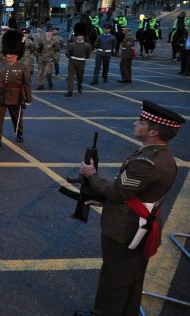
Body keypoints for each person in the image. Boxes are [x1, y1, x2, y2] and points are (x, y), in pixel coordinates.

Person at [76, 101, 184, 316]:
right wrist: (105, 201)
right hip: (135, 222)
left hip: (126, 229)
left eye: (141, 122)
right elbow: (132, 193)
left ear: (153, 131)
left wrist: (92, 175)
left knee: (114, 280)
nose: (136, 123)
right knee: (129, 279)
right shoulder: (157, 155)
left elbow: (117, 191)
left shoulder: (148, 163)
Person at [0, 30, 32, 148]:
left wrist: (28, 98)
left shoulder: (22, 67)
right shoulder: (0, 65)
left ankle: (19, 131)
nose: (9, 56)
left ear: (17, 54)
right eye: (8, 54)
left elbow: (26, 84)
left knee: (17, 117)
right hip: (0, 94)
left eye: (12, 55)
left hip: (15, 96)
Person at [66, 23, 93, 96]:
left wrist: (81, 57)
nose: (79, 37)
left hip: (81, 62)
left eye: (81, 36)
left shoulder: (87, 46)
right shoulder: (72, 44)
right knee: (70, 76)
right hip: (72, 61)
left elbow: (87, 55)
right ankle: (70, 91)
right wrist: (69, 56)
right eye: (78, 35)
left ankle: (79, 86)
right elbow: (68, 53)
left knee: (80, 76)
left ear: (83, 36)